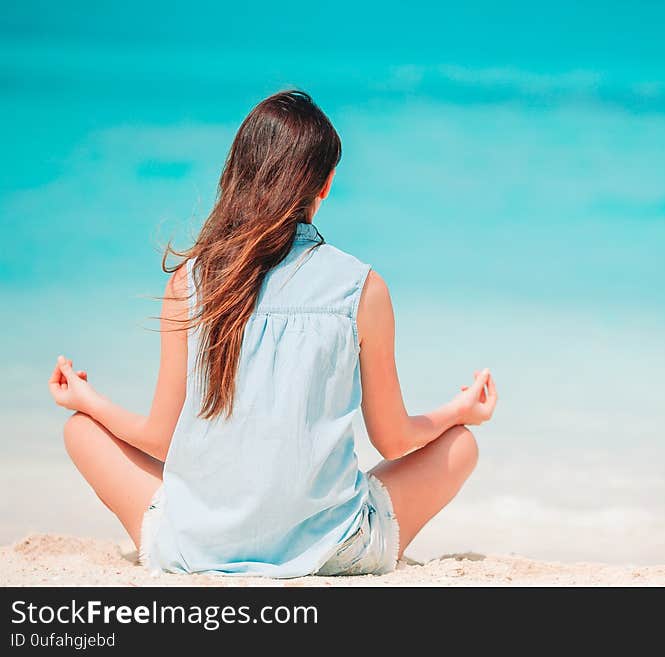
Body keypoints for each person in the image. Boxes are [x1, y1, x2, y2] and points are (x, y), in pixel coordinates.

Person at [47, 90, 497, 577]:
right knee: (461, 445)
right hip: (335, 550)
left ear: (238, 173)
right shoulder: (362, 287)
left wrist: (87, 401)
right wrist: (460, 411)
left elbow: (160, 439)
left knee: (79, 431)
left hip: (195, 549)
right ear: (324, 185)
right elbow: (392, 441)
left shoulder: (192, 281)